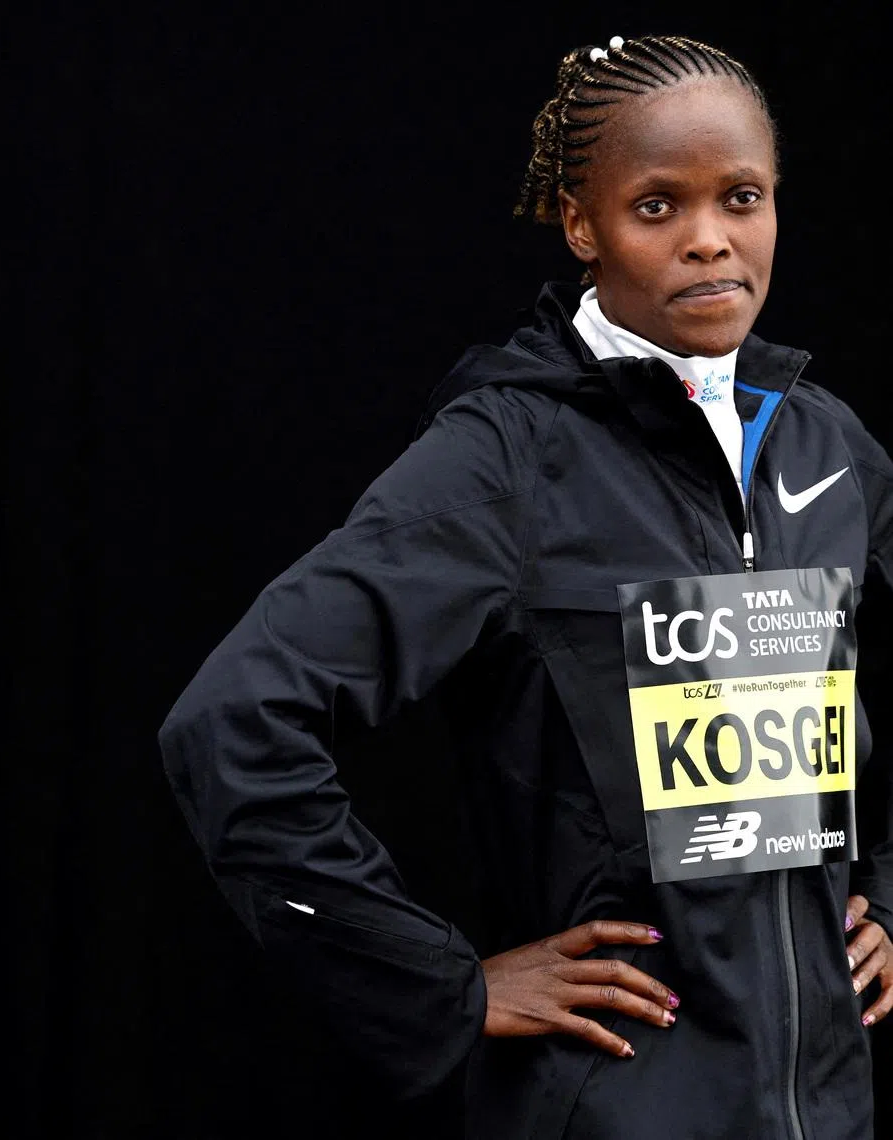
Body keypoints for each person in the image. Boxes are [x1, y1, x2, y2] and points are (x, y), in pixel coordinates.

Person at [159, 32, 893, 1139]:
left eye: (741, 197)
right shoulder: (507, 459)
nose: (710, 241)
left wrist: (884, 890)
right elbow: (232, 722)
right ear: (581, 223)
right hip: (612, 1106)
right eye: (657, 207)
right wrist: (441, 987)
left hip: (824, 1108)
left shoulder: (828, 449)